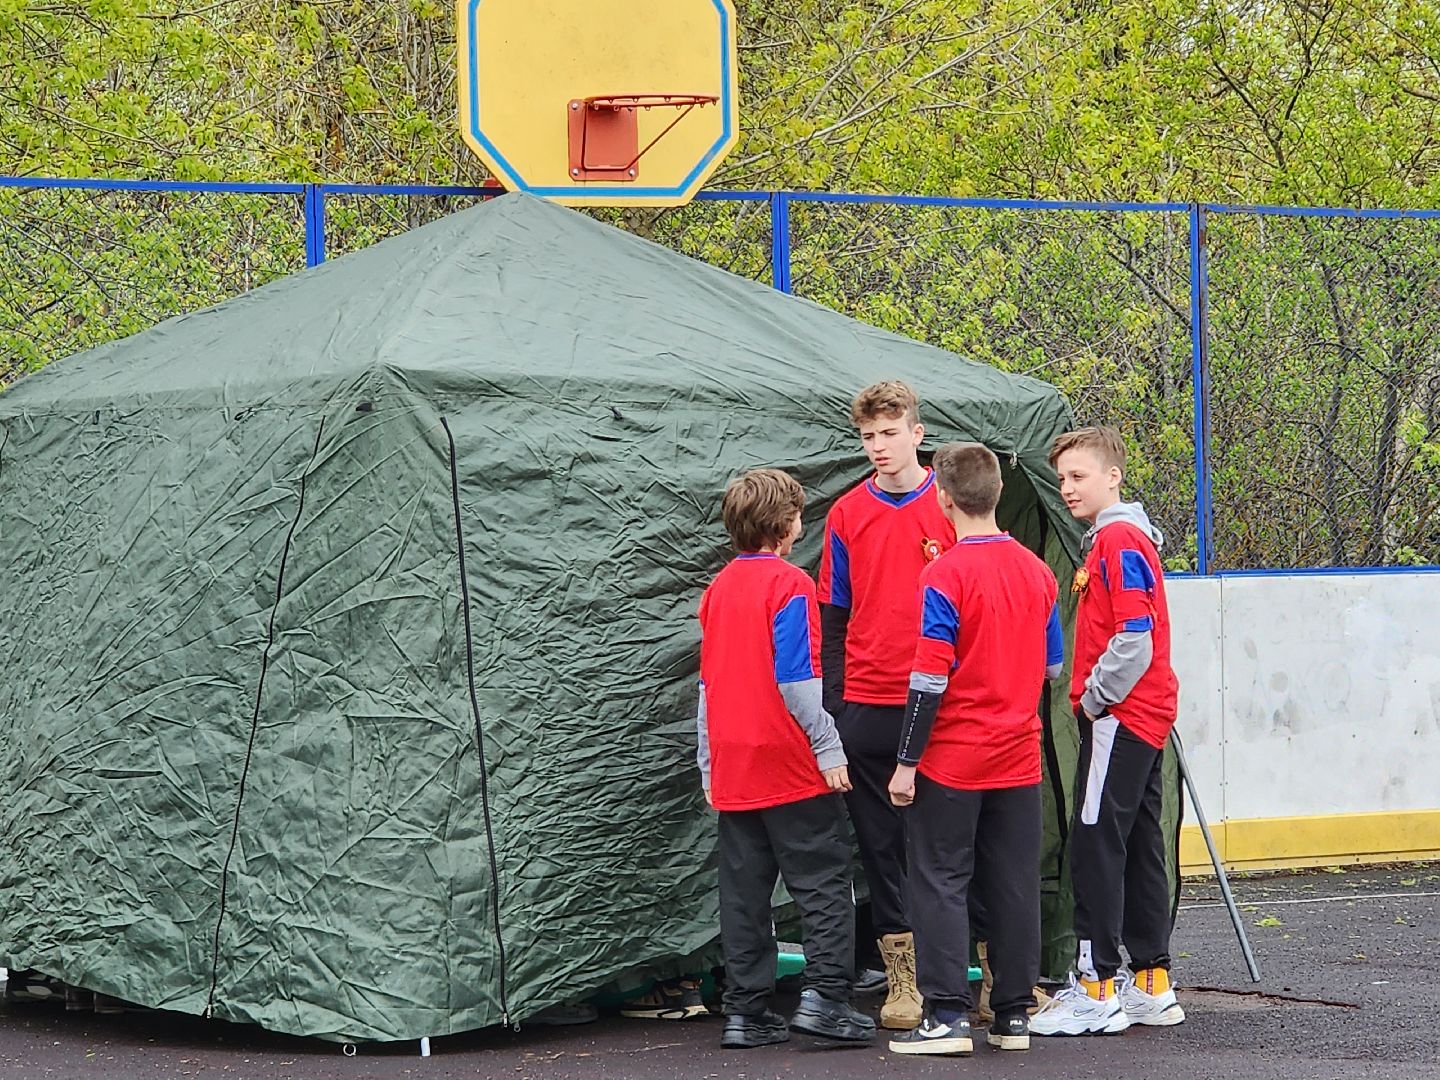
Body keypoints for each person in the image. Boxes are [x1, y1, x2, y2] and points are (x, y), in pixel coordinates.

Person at [882, 443, 1062, 1056]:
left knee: (939, 881)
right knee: (1013, 880)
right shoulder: (1038, 572)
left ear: (944, 499)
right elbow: (1054, 666)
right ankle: (1014, 1014)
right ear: (997, 495)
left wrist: (906, 762)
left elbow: (928, 678)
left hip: (954, 759)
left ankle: (947, 1016)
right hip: (1018, 755)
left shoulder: (944, 574)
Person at [697, 468, 876, 1050]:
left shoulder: (718, 589)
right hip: (790, 760)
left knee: (744, 895)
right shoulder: (792, 584)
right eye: (799, 514)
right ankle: (827, 997)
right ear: (784, 525)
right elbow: (798, 679)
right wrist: (828, 745)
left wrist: (707, 762)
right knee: (824, 885)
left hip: (732, 759)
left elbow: (707, 687)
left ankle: (746, 1013)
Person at [1031, 426, 1185, 1036]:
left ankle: (1096, 986)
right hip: (1146, 714)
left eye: (1079, 476)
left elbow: (1134, 637)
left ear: (1112, 476)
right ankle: (1150, 981)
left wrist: (1095, 700)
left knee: (1097, 841)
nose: (1067, 488)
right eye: (1063, 478)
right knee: (1141, 842)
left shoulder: (1118, 540)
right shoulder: (1123, 537)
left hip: (1123, 714)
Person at [817, 380, 955, 1030]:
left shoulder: (951, 505)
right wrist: (838, 704)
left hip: (944, 702)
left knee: (951, 836)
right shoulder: (846, 513)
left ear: (917, 434)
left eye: (889, 432)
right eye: (869, 436)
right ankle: (903, 979)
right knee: (881, 844)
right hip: (870, 702)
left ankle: (965, 972)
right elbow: (834, 614)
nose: (878, 445)